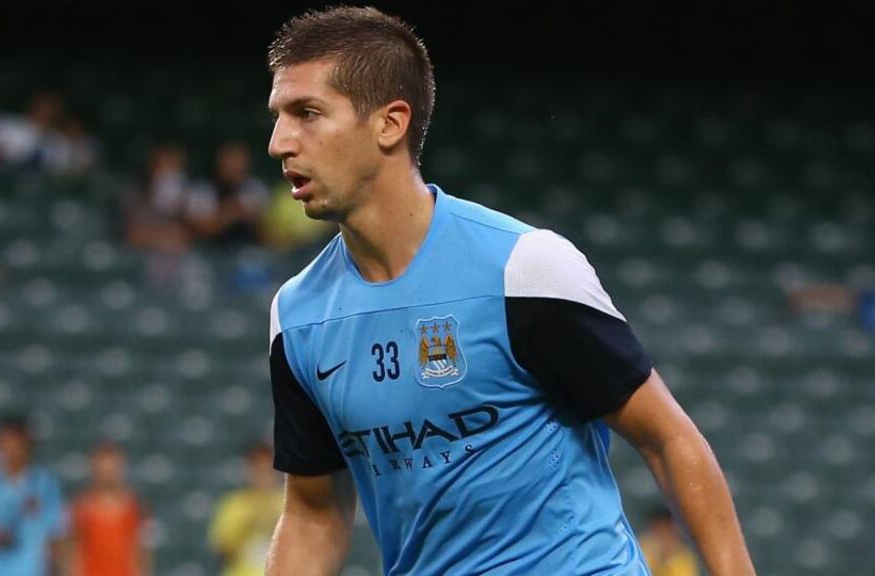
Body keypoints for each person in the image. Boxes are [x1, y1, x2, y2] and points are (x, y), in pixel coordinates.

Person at [263, 6, 755, 575]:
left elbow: (668, 439)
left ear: (390, 124)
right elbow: (314, 512)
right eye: (278, 117)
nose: (279, 143)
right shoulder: (297, 317)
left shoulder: (524, 270)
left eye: (307, 113)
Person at [0, 416, 67, 576]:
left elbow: (57, 533)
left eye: (16, 442)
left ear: (28, 445)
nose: (10, 449)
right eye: (5, 443)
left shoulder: (45, 485)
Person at [69, 443, 150, 576]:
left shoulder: (135, 507)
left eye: (111, 468)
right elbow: (74, 554)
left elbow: (140, 554)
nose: (107, 474)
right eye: (102, 468)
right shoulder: (80, 507)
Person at [207, 442, 283, 576]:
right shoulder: (233, 505)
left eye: (267, 468)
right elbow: (222, 551)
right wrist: (248, 522)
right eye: (258, 468)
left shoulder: (287, 503)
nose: (263, 474)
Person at [638, 506, 701, 576]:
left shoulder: (684, 556)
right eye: (659, 528)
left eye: (665, 529)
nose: (662, 533)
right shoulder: (645, 547)